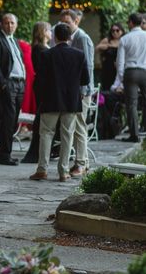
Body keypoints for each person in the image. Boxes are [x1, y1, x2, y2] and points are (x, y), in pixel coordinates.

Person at [29, 23, 90, 182]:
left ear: (55, 37)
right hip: (71, 102)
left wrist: (40, 98)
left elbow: (40, 80)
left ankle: (42, 169)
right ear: (70, 37)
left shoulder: (46, 55)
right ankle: (63, 171)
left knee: (46, 135)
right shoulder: (79, 55)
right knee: (67, 136)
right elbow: (85, 80)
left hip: (50, 100)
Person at [0, 13, 26, 165]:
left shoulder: (15, 40)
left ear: (16, 25)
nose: (10, 26)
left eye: (12, 23)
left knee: (13, 119)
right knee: (8, 121)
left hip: (19, 84)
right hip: (8, 84)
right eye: (7, 23)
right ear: (1, 24)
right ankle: (5, 155)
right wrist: (3, 84)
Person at [60, 9, 94, 175]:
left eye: (68, 22)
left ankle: (80, 163)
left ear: (76, 21)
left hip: (82, 91)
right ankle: (83, 162)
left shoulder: (82, 38)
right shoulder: (70, 38)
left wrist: (83, 90)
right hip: (73, 91)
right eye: (63, 23)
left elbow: (87, 66)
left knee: (80, 126)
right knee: (76, 127)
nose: (65, 25)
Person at [116, 13, 146, 142]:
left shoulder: (125, 38)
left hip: (130, 72)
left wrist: (122, 76)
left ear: (130, 23)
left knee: (131, 104)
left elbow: (120, 61)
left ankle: (134, 134)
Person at [21, 22, 52, 164]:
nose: (51, 32)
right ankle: (37, 151)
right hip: (43, 85)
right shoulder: (40, 49)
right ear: (43, 31)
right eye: (49, 30)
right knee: (41, 118)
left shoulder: (42, 48)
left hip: (42, 84)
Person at [96, 23, 124, 91]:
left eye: (117, 30)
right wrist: (107, 46)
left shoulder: (124, 40)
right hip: (108, 67)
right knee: (107, 86)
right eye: (113, 30)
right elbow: (97, 48)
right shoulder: (107, 40)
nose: (115, 32)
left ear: (122, 31)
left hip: (120, 67)